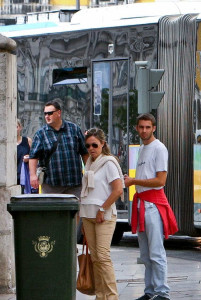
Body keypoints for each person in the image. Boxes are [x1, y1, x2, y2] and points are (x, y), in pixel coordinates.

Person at [125, 113, 177, 300]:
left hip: (152, 204)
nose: (144, 130)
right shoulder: (143, 148)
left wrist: (133, 181)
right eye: (141, 127)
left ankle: (162, 291)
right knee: (146, 253)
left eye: (148, 127)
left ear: (154, 128)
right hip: (142, 203)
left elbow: (160, 180)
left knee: (156, 251)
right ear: (137, 128)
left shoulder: (159, 148)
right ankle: (150, 291)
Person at [79, 128, 124, 300]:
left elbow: (118, 190)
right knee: (95, 258)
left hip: (103, 215)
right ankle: (100, 296)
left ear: (103, 144)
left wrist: (103, 209)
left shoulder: (109, 163)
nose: (91, 148)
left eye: (94, 145)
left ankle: (112, 296)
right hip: (87, 214)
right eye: (88, 145)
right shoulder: (89, 162)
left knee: (103, 257)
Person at [28, 99, 87, 195]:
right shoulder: (41, 134)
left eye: (50, 113)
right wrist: (33, 175)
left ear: (59, 113)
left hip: (74, 184)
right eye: (45, 114)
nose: (47, 116)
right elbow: (33, 156)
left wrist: (88, 172)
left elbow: (84, 152)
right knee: (52, 210)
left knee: (75, 210)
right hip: (51, 184)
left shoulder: (74, 129)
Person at [16, 120, 33, 194]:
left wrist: (29, 157)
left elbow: (34, 156)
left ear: (20, 127)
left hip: (24, 176)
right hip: (12, 178)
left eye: (16, 127)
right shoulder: (7, 144)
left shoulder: (27, 140)